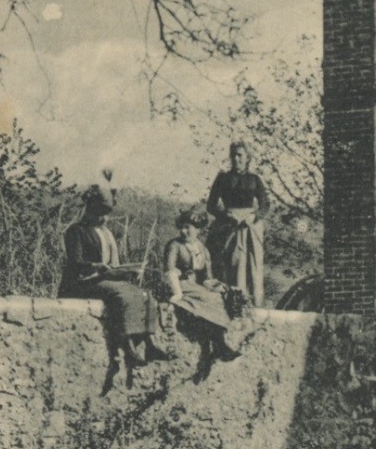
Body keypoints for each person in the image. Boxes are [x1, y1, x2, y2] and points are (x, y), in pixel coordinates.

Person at [58, 185, 166, 368]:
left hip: (104, 279)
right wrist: (96, 266)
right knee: (122, 295)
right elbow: (74, 263)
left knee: (144, 294)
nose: (104, 218)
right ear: (90, 209)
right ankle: (128, 346)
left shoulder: (106, 233)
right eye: (100, 213)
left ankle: (149, 343)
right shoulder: (76, 231)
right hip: (82, 283)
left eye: (107, 214)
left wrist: (125, 270)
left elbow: (114, 263)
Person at [164, 209, 242, 380]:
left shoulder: (202, 249)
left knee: (215, 297)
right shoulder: (174, 246)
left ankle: (214, 350)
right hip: (178, 284)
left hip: (196, 286)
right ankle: (220, 347)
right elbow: (169, 271)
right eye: (182, 228)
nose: (184, 231)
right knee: (205, 299)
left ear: (198, 229)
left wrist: (217, 286)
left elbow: (206, 278)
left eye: (188, 228)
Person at [204, 141, 269, 308]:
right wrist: (226, 215)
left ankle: (253, 305)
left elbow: (265, 205)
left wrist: (254, 217)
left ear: (247, 158)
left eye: (240, 155)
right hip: (227, 226)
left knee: (252, 266)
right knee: (229, 264)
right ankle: (228, 304)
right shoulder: (223, 178)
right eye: (233, 155)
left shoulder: (254, 179)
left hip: (250, 227)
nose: (236, 158)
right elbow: (211, 205)